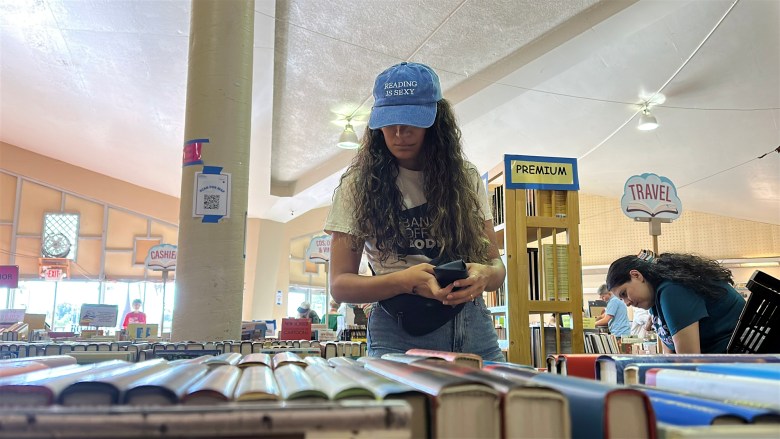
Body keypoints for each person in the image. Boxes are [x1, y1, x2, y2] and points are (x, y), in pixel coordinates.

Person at [325, 61, 506, 361]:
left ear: (435, 120)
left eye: (411, 120)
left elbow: (496, 267)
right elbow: (340, 285)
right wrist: (405, 280)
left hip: (473, 327)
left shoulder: (466, 177)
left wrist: (485, 276)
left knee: (496, 406)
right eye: (389, 121)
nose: (399, 132)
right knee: (405, 410)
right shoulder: (357, 187)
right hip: (398, 333)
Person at [606, 251, 745, 354]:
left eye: (624, 294)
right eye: (621, 299)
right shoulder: (655, 301)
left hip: (735, 363)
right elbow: (671, 352)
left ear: (636, 275)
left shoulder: (673, 289)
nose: (627, 303)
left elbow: (688, 359)